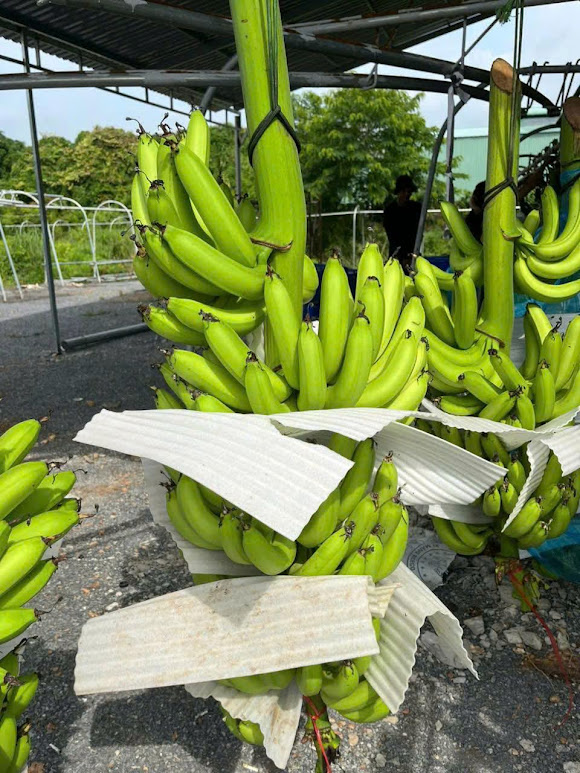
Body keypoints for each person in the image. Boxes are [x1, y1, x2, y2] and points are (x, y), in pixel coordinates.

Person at [382, 174, 422, 275]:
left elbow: (417, 233)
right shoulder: (390, 211)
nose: (406, 194)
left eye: (409, 192)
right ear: (398, 192)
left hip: (413, 254)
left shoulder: (416, 209)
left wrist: (411, 255)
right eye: (403, 191)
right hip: (396, 256)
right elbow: (392, 237)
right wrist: (401, 256)